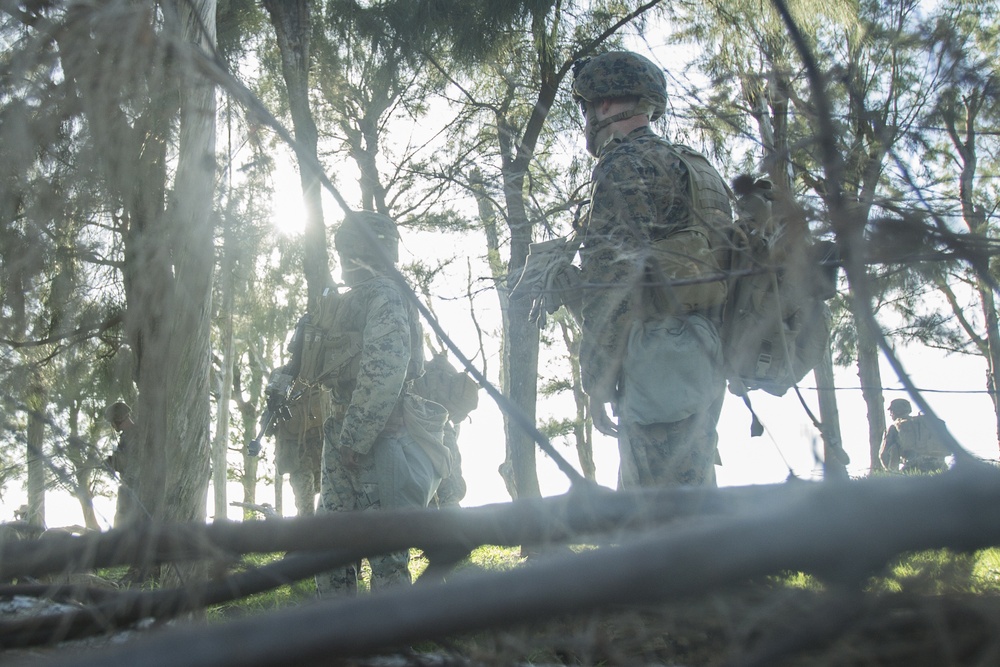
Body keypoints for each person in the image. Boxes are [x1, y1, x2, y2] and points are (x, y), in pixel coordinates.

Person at [570, 51, 731, 489]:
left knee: (658, 520)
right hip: (704, 351)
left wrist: (597, 376)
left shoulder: (623, 164)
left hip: (655, 357)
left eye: (587, 107)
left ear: (603, 105)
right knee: (692, 496)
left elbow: (610, 283)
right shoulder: (696, 166)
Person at [314, 211, 449, 597]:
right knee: (331, 544)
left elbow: (386, 366)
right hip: (343, 434)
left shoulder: (385, 293)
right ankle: (337, 640)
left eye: (348, 248)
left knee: (386, 550)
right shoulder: (353, 298)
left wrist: (356, 436)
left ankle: (391, 644)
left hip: (375, 438)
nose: (341, 257)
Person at [879, 398, 950, 473]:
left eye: (891, 412)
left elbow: (883, 455)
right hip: (941, 465)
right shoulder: (926, 424)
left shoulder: (896, 426)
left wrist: (890, 471)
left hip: (915, 465)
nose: (890, 414)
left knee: (894, 447)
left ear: (894, 411)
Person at [105, 400, 142, 527]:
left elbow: (132, 463)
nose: (112, 425)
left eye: (112, 422)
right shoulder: (129, 436)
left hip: (133, 488)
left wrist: (113, 463)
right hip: (132, 487)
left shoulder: (134, 436)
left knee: (121, 523)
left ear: (117, 420)